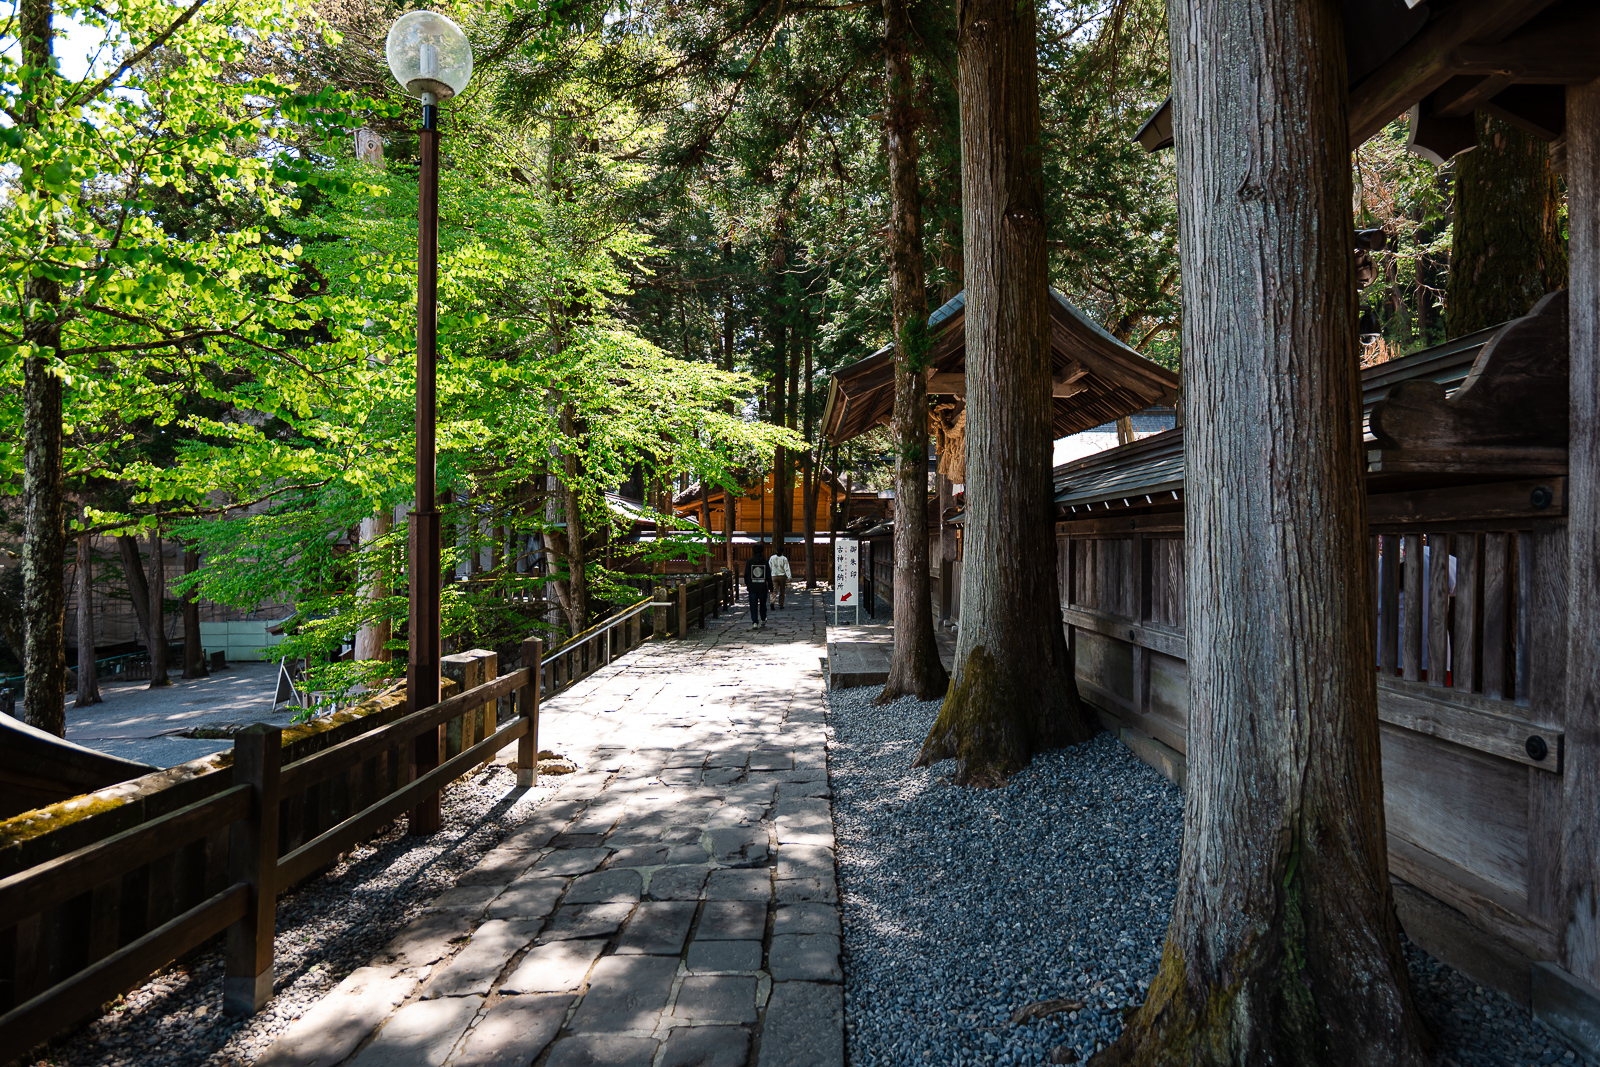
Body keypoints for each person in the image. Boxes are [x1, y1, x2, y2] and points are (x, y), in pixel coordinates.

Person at [744, 545, 771, 629]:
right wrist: (771, 587)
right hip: (762, 586)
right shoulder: (765, 562)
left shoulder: (749, 561)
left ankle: (755, 621)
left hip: (752, 586)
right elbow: (768, 575)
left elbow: (746, 574)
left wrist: (748, 584)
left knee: (753, 605)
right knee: (763, 604)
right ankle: (763, 618)